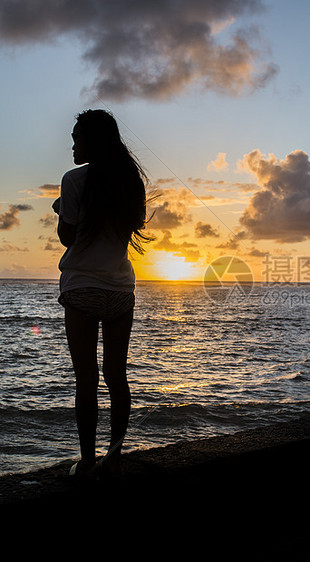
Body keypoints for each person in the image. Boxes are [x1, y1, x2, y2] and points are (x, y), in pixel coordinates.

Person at [53, 109, 152, 480]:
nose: (73, 144)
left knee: (86, 379)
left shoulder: (74, 180)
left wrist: (62, 209)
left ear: (93, 141)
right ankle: (114, 459)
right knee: (116, 376)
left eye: (78, 137)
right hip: (120, 290)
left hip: (82, 288)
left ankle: (88, 463)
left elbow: (68, 237)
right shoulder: (131, 183)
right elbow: (129, 227)